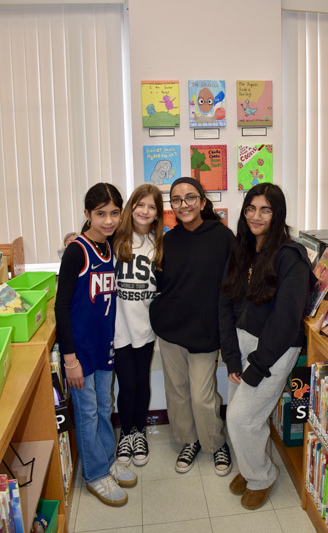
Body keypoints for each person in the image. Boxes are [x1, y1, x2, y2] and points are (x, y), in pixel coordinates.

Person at [219, 183, 316, 510]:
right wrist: (232, 358)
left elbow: (286, 320)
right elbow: (226, 303)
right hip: (243, 342)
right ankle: (250, 469)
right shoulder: (243, 248)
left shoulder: (291, 256)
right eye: (250, 208)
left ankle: (262, 476)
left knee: (242, 419)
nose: (255, 216)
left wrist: (257, 367)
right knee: (241, 416)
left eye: (265, 209)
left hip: (274, 351)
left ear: (278, 214)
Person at [55, 182, 137, 508]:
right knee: (87, 412)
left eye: (114, 212)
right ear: (87, 214)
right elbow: (62, 307)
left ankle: (107, 459)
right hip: (81, 350)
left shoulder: (110, 246)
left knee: (105, 406)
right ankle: (94, 474)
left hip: (105, 345)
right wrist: (70, 360)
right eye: (100, 213)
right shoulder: (78, 251)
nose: (108, 220)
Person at [149, 176, 234, 476]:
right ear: (170, 205)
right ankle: (188, 440)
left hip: (205, 330)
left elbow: (235, 281)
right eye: (176, 200)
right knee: (177, 391)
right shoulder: (167, 240)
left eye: (189, 198)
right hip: (171, 329)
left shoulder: (222, 236)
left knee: (202, 394)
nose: (183, 204)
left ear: (202, 200)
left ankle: (215, 442)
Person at [113, 184, 164, 467]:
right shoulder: (116, 240)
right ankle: (126, 434)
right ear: (131, 207)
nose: (145, 211)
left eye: (152, 207)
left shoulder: (159, 245)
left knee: (142, 382)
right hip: (119, 329)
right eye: (140, 204)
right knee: (127, 384)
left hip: (145, 330)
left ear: (157, 214)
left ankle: (139, 432)